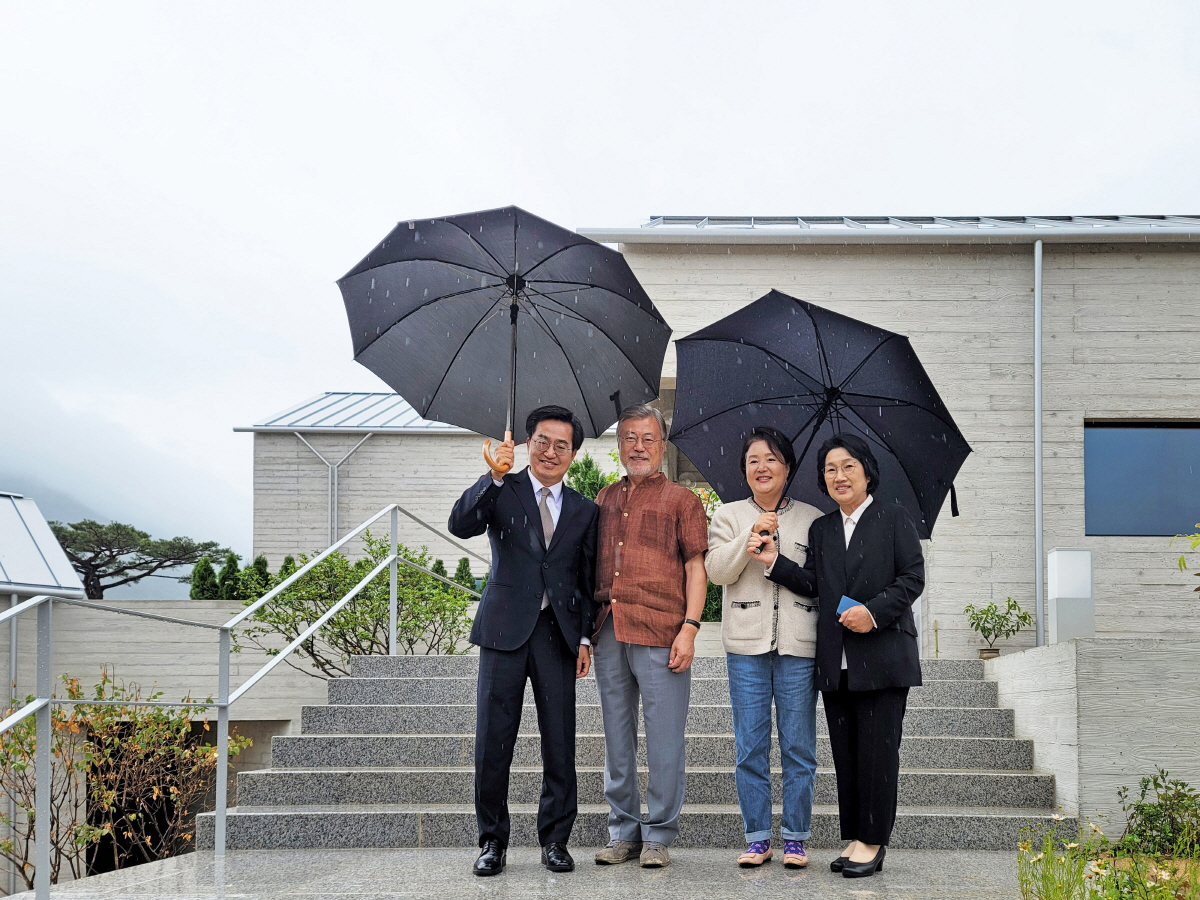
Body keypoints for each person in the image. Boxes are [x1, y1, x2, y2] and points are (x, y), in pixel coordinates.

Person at [752, 433, 924, 879]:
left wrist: (873, 612)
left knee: (879, 752)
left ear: (867, 471)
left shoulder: (893, 517)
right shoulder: (823, 528)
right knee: (847, 752)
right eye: (830, 469)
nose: (839, 475)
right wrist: (774, 561)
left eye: (848, 466)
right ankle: (856, 835)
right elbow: (814, 584)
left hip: (884, 656)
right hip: (836, 661)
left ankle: (873, 839)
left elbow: (912, 577)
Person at [447, 405, 598, 877]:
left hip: (557, 637)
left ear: (573, 452)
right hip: (503, 633)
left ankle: (555, 839)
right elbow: (460, 524)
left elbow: (586, 579)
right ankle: (492, 840)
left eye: (562, 444)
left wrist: (586, 639)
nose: (551, 451)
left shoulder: (584, 510)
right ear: (527, 443)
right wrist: (490, 477)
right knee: (494, 741)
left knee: (560, 743)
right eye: (543, 441)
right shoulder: (502, 488)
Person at [590, 403, 709, 869]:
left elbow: (696, 568)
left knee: (665, 740)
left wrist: (691, 628)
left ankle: (658, 834)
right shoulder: (602, 499)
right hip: (609, 631)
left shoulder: (682, 500)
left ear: (662, 445)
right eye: (629, 438)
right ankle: (623, 831)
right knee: (617, 740)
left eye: (648, 439)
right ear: (619, 444)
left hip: (663, 632)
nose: (638, 447)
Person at [705, 426, 824, 869]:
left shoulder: (812, 519)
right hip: (745, 648)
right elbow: (718, 571)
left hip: (798, 646)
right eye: (754, 459)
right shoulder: (729, 515)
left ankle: (795, 836)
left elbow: (818, 584)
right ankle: (757, 837)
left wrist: (777, 558)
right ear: (744, 470)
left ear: (788, 468)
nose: (762, 467)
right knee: (750, 747)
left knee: (798, 746)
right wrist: (749, 535)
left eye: (772, 458)